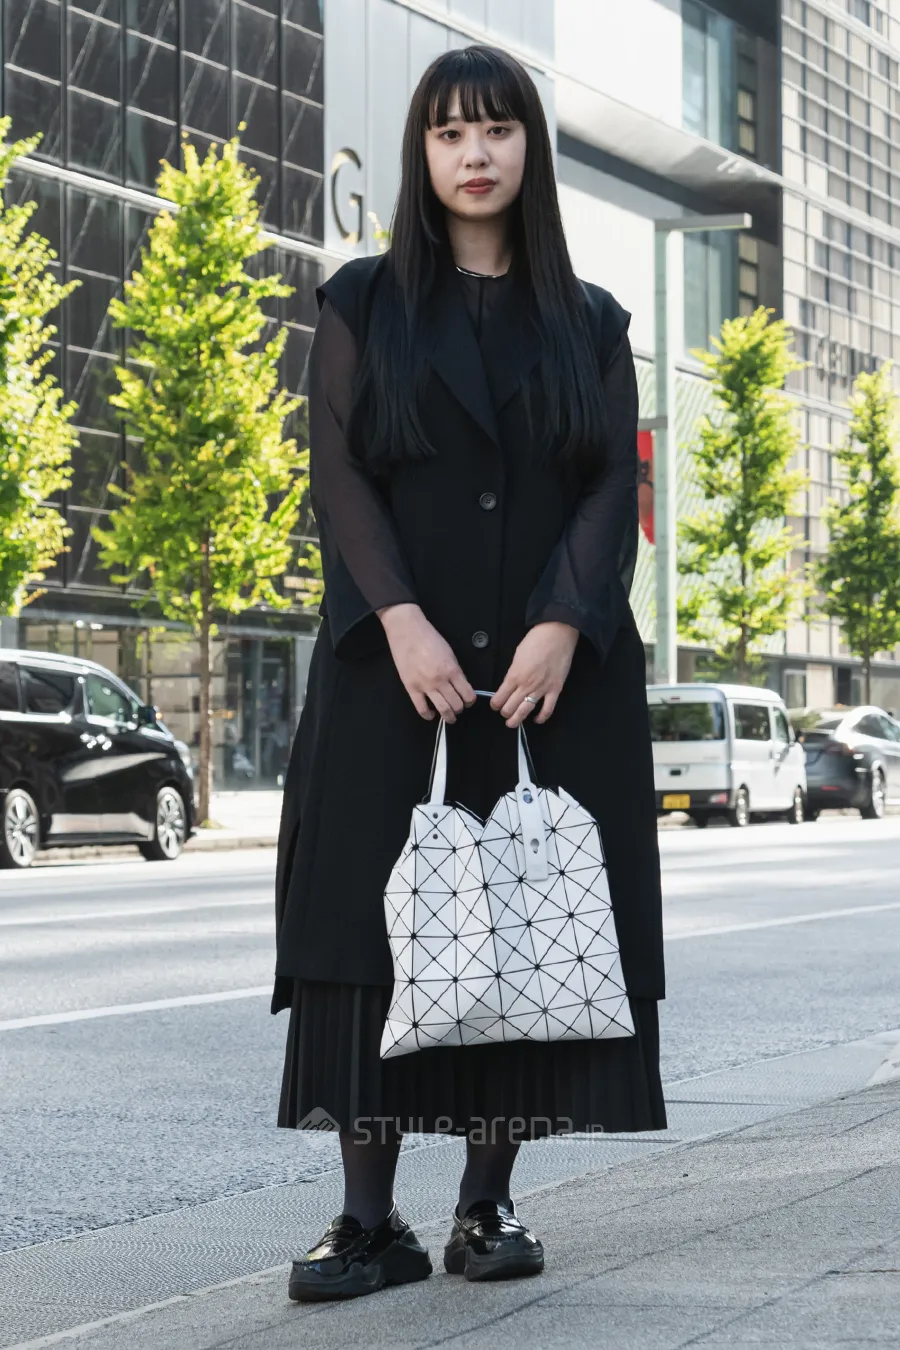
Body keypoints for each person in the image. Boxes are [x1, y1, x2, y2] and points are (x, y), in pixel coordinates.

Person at [272, 44, 666, 1302]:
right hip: (390, 672)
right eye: (449, 133)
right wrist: (398, 618)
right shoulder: (363, 301)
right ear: (423, 153)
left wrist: (564, 624)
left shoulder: (590, 320)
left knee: (525, 930)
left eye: (496, 129)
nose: (475, 153)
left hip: (549, 681)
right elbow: (339, 475)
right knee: (368, 933)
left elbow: (610, 482)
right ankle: (366, 1220)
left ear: (529, 148)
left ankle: (487, 1204)